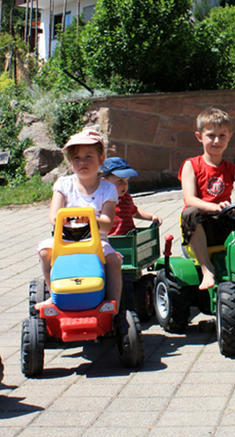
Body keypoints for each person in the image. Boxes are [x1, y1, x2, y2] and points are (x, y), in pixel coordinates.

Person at [179, 106, 235, 290]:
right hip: (203, 224)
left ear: (229, 137)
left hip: (225, 220)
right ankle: (207, 269)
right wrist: (214, 206)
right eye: (211, 135)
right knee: (189, 213)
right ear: (199, 136)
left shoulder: (229, 167)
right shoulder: (191, 165)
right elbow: (190, 199)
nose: (216, 141)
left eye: (222, 136)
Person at [39, 128, 123, 309]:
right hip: (65, 239)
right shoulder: (63, 184)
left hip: (95, 240)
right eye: (76, 158)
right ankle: (53, 294)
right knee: (45, 252)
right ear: (70, 162)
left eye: (88, 156)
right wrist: (83, 217)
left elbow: (107, 224)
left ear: (101, 159)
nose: (82, 162)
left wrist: (88, 217)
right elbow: (54, 217)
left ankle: (112, 302)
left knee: (114, 260)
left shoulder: (108, 189)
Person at [99, 156, 162, 235]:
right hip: (111, 241)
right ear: (104, 182)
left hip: (129, 240)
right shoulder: (100, 200)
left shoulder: (126, 198)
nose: (125, 184)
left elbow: (135, 212)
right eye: (120, 181)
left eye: (126, 180)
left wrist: (151, 216)